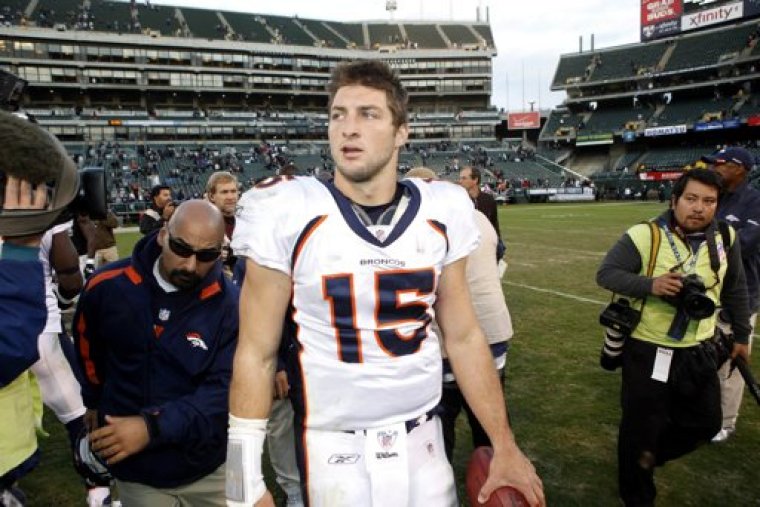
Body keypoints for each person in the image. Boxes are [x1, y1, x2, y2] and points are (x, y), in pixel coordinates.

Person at [229, 60, 544, 507]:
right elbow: (256, 353)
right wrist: (242, 477)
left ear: (401, 132)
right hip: (331, 446)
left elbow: (464, 335)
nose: (348, 128)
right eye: (338, 114)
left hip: (423, 438)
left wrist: (504, 442)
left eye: (368, 114)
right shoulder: (287, 209)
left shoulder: (443, 209)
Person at [596, 169, 751, 506]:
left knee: (706, 421)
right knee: (640, 425)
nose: (699, 208)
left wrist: (742, 335)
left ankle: (647, 459)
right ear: (675, 200)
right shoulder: (645, 235)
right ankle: (636, 491)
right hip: (650, 348)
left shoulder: (726, 236)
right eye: (691, 199)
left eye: (709, 201)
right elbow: (606, 274)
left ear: (718, 204)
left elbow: (736, 287)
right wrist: (651, 285)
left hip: (699, 348)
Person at [73, 200, 239, 506]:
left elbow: (224, 390)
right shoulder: (105, 286)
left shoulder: (231, 305)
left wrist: (151, 427)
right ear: (163, 234)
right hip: (137, 470)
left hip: (207, 465)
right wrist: (94, 400)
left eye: (206, 256)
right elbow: (87, 347)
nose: (191, 265)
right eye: (181, 248)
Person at [406, 167, 515, 462]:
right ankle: (497, 471)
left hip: (452, 338)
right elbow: (498, 253)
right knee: (490, 416)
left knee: (441, 425)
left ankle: (441, 482)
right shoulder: (478, 216)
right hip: (493, 330)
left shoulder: (420, 222)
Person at [702, 146, 760, 442]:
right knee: (703, 357)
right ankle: (705, 413)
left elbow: (745, 245)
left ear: (741, 168)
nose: (716, 168)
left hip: (741, 296)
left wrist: (703, 247)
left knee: (732, 362)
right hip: (709, 294)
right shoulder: (715, 199)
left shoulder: (755, 202)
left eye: (721, 164)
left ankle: (726, 422)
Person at [459, 166, 505, 259]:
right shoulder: (458, 200)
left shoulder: (488, 199)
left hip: (486, 245)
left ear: (475, 180)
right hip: (467, 247)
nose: (460, 181)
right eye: (460, 178)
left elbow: (494, 223)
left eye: (464, 178)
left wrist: (498, 242)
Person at [206, 171, 239, 272]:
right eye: (224, 192)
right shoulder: (205, 225)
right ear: (212, 196)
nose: (230, 197)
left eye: (233, 191)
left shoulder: (247, 221)